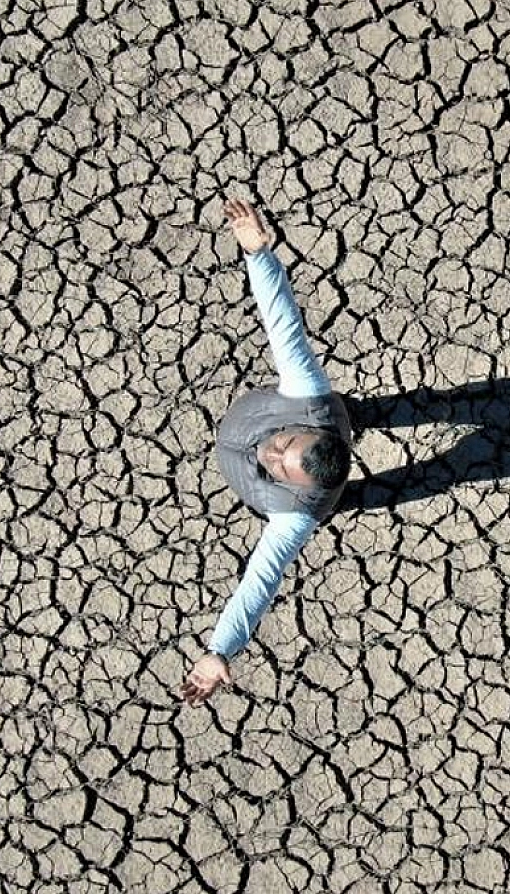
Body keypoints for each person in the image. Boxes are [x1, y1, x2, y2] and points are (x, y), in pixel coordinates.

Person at [178, 200, 353, 707]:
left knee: (343, 502)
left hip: (321, 494)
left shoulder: (296, 517)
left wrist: (220, 649)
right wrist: (258, 254)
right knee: (353, 409)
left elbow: (258, 585)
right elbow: (284, 325)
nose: (268, 457)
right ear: (303, 428)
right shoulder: (307, 394)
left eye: (281, 471)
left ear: (302, 490)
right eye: (281, 448)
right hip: (332, 414)